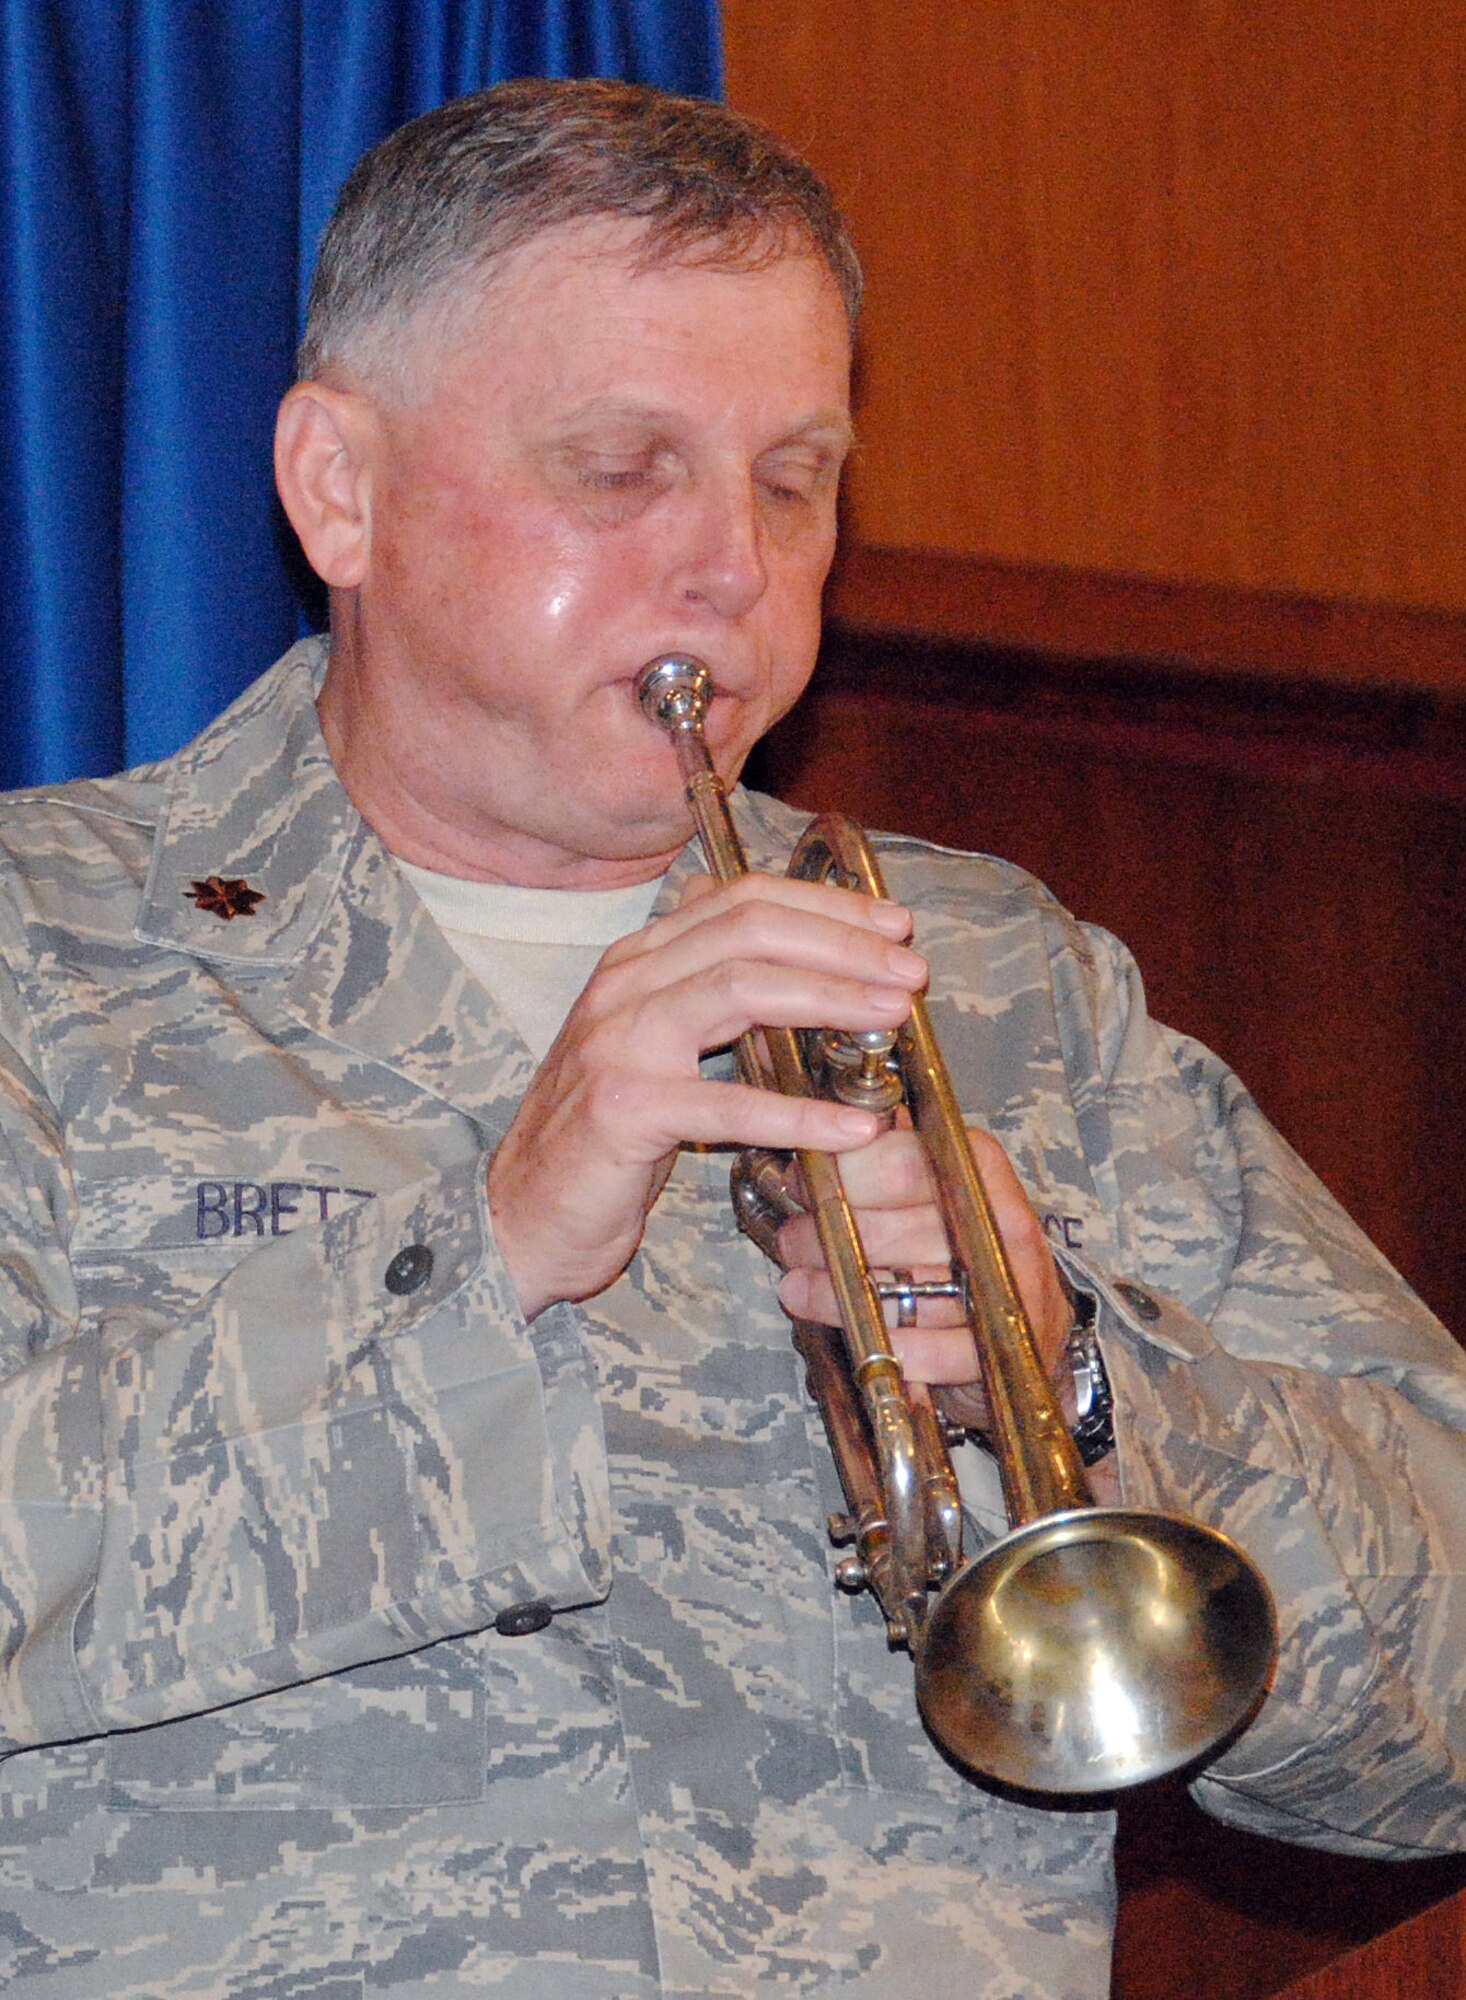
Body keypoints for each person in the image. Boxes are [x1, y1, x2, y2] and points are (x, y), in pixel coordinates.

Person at [0, 77, 1461, 2000]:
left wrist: (1099, 1397)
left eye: (793, 480)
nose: (733, 570)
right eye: (621, 471)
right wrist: (486, 1257)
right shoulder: (44, 951)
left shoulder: (999, 980)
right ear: (335, 488)